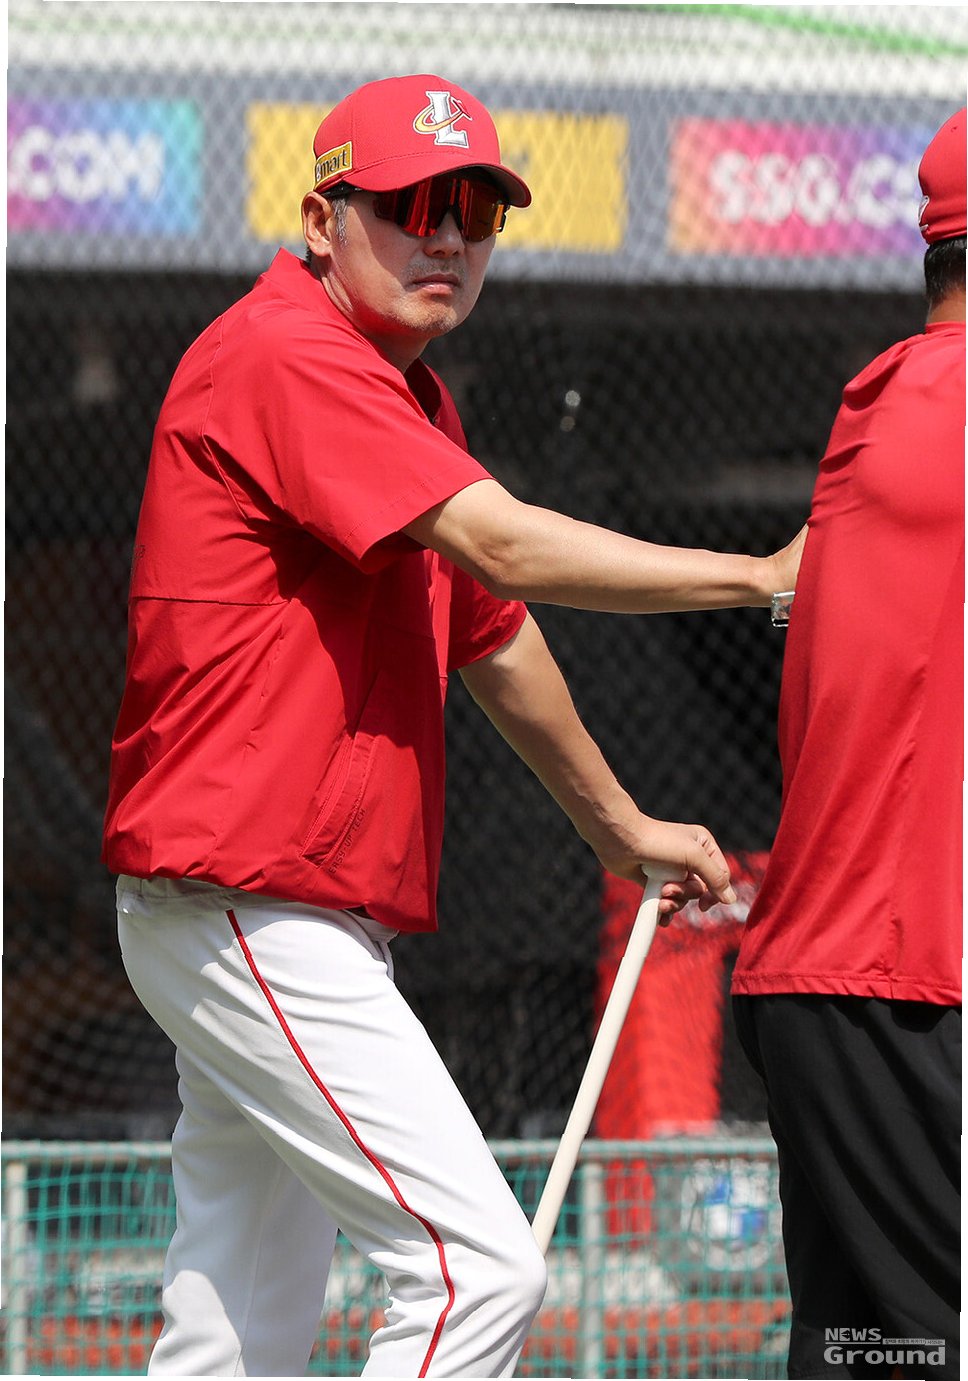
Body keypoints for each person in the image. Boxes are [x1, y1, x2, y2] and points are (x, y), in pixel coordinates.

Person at [102, 73, 803, 1378]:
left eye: (476, 213)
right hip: (251, 904)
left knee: (234, 1340)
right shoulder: (286, 351)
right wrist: (757, 574)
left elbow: (496, 636)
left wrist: (620, 828)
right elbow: (506, 547)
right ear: (322, 220)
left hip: (264, 913)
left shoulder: (404, 397)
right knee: (476, 1271)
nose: (449, 239)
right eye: (414, 205)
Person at [731, 107, 964, 1381]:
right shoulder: (938, 401)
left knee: (875, 1360)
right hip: (905, 992)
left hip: (850, 987)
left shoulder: (891, 398)